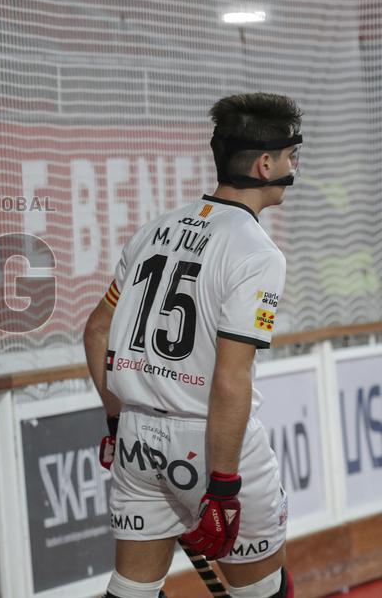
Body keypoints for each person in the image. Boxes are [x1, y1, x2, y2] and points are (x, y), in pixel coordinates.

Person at [83, 93, 302, 598]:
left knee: (131, 589)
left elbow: (97, 331)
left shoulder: (153, 231)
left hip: (136, 438)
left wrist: (117, 423)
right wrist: (223, 484)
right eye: (292, 157)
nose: (294, 169)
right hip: (209, 447)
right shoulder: (256, 251)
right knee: (264, 592)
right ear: (266, 164)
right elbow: (231, 377)